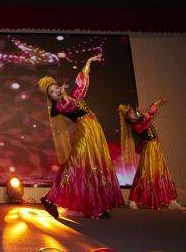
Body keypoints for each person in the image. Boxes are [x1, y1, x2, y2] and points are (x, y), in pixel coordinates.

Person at [38, 54, 124, 219]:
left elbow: (82, 84)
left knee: (95, 165)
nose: (56, 91)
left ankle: (96, 206)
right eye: (52, 92)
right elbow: (68, 104)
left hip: (95, 131)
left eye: (56, 88)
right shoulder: (61, 104)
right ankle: (50, 199)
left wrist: (88, 62)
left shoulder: (73, 97)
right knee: (76, 164)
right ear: (51, 98)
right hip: (85, 130)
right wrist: (63, 94)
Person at [119, 98, 186, 211]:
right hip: (149, 150)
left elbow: (149, 113)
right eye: (130, 112)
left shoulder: (142, 119)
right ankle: (132, 200)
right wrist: (149, 109)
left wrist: (159, 101)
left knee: (163, 174)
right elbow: (147, 116)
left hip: (156, 149)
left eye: (133, 111)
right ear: (127, 118)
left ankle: (172, 201)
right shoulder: (136, 126)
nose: (133, 113)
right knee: (144, 174)